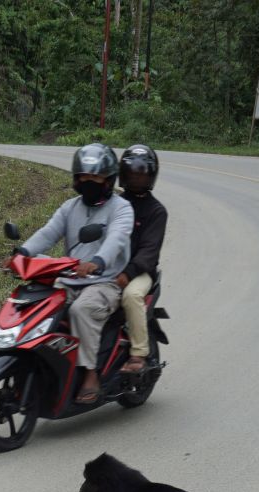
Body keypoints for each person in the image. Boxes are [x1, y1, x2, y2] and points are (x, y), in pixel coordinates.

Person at [9, 143, 134, 403]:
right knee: (38, 305)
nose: (89, 182)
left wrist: (98, 261)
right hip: (70, 278)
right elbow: (48, 233)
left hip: (105, 281)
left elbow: (117, 240)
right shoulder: (70, 207)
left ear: (108, 180)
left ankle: (90, 375)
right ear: (76, 179)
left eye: (95, 177)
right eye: (83, 177)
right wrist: (23, 252)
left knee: (81, 310)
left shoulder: (121, 208)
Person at [115, 144, 167, 374]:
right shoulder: (113, 203)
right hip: (110, 269)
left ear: (150, 175)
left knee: (131, 296)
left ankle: (138, 354)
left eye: (141, 173)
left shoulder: (156, 211)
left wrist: (128, 273)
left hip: (140, 272)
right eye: (132, 173)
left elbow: (149, 251)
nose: (136, 178)